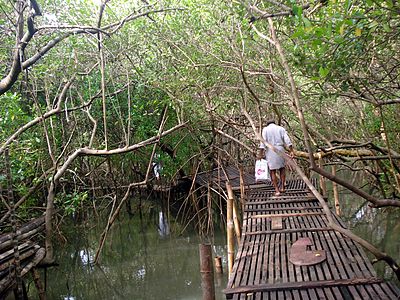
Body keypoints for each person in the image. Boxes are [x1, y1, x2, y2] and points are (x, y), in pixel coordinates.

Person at [260, 118, 294, 196]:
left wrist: (260, 153)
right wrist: (291, 150)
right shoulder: (280, 128)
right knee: (282, 169)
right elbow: (287, 140)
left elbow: (263, 142)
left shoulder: (265, 130)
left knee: (272, 171)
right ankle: (282, 187)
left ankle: (277, 190)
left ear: (267, 124)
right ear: (274, 123)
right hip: (280, 149)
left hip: (270, 150)